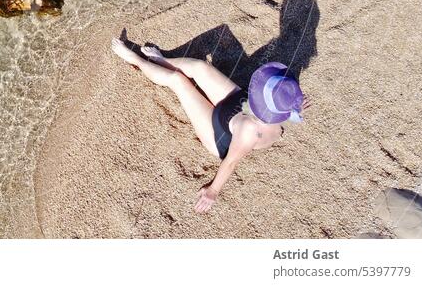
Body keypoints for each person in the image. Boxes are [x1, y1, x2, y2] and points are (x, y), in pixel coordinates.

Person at [111, 35, 309, 213]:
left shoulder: (251, 131)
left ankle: (134, 59)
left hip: (221, 132)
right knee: (200, 67)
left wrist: (212, 191)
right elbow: (287, 107)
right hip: (242, 107)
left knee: (178, 81)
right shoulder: (284, 106)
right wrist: (294, 107)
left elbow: (231, 162)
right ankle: (162, 60)